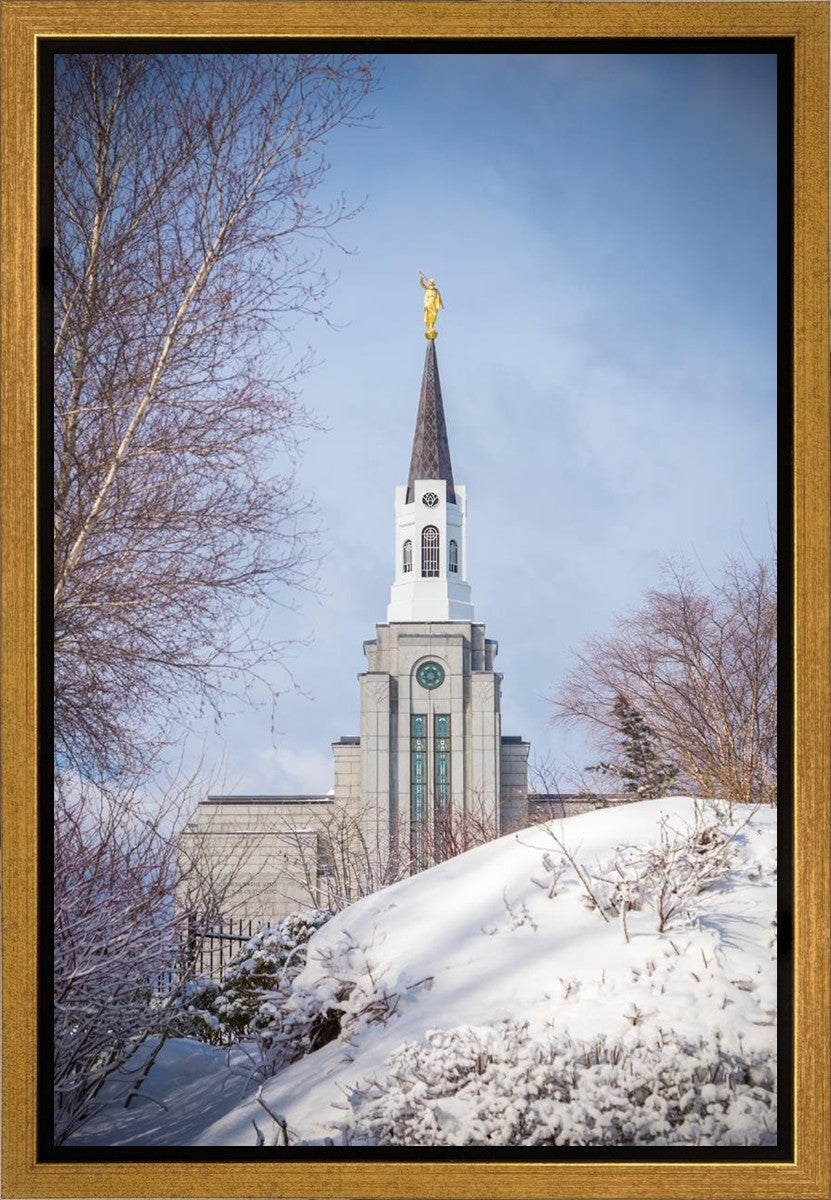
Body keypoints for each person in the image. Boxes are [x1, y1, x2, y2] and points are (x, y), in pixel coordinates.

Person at [419, 270, 444, 336]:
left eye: (430, 282)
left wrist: (442, 305)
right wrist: (421, 278)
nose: (429, 283)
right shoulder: (427, 289)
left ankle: (432, 325)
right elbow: (422, 284)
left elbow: (440, 298)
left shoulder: (436, 290)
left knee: (434, 315)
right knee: (429, 315)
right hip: (429, 303)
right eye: (429, 282)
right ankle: (430, 326)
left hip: (434, 304)